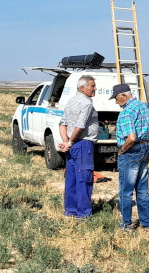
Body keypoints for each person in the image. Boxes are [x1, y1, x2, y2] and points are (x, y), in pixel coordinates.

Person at [111, 83, 149, 231]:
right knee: (142, 189)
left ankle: (126, 223)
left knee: (126, 190)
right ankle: (148, 223)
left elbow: (131, 137)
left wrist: (122, 150)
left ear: (124, 95)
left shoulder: (127, 112)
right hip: (145, 147)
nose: (116, 102)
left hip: (131, 151)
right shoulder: (144, 107)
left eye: (117, 98)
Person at [58, 75, 99, 219]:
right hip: (83, 144)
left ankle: (71, 210)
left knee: (72, 178)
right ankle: (83, 213)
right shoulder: (87, 104)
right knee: (84, 178)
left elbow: (62, 123)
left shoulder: (71, 101)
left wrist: (66, 141)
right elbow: (80, 126)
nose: (95, 88)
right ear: (83, 88)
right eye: (92, 86)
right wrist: (69, 142)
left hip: (72, 144)